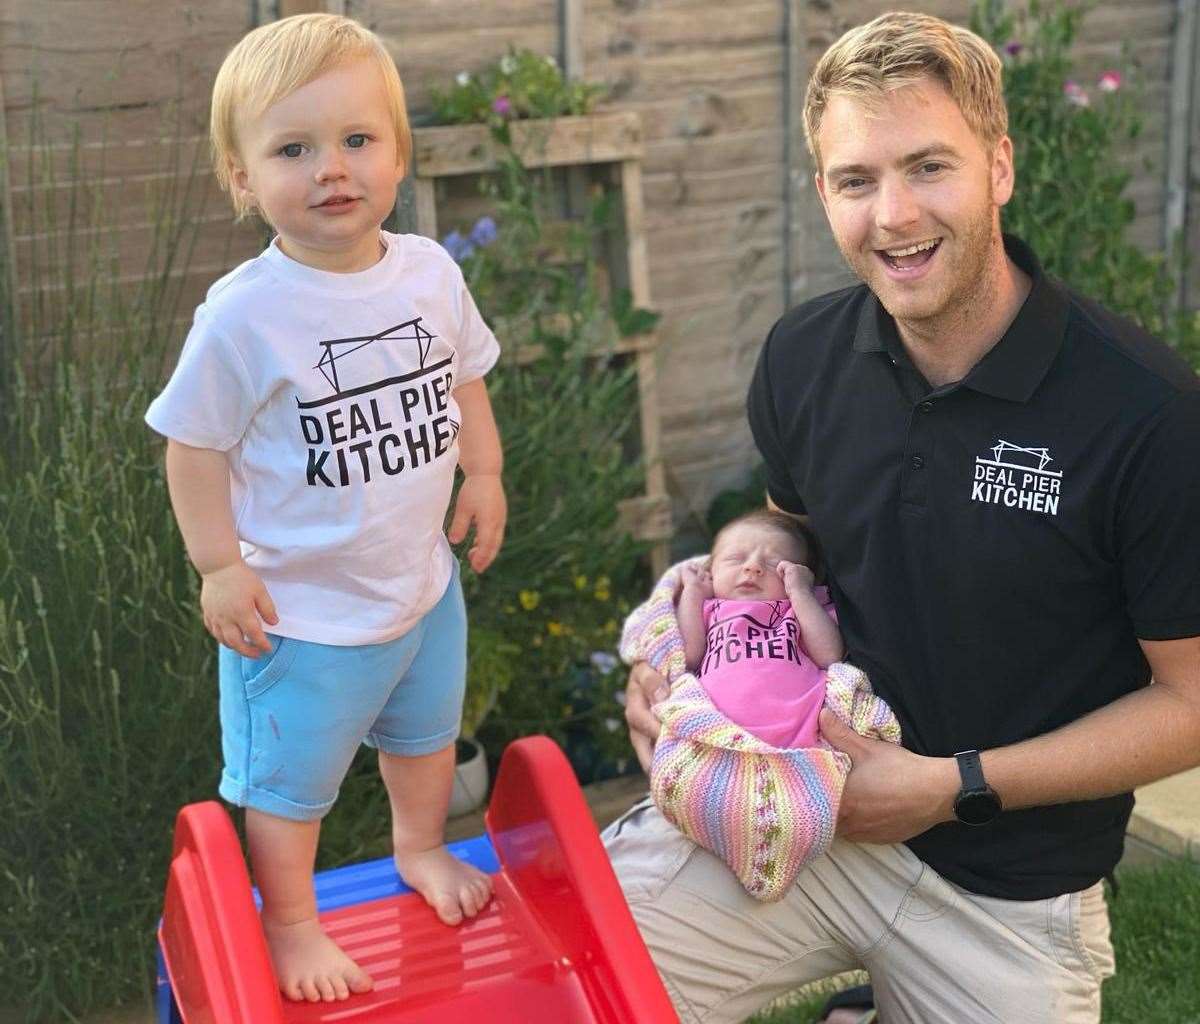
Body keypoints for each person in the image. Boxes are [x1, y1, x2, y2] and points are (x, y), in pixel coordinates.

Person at [608, 11, 1200, 1024]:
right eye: (855, 180)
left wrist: (948, 786)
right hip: (797, 819)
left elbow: (1189, 699)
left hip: (1010, 890)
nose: (892, 215)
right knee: (576, 977)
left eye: (929, 167)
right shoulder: (802, 357)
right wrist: (691, 659)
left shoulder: (1144, 412)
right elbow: (795, 531)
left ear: (1000, 168)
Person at [146, 14, 506, 1004]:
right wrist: (220, 564)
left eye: (357, 140)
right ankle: (293, 923)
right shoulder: (245, 313)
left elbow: (464, 376)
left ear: (397, 153)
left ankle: (422, 849)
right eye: (293, 149)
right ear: (241, 177)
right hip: (299, 618)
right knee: (291, 786)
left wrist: (483, 475)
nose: (332, 168)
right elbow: (193, 445)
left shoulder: (429, 271)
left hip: (418, 588)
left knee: (426, 739)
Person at [677, 510, 844, 748]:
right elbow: (687, 657)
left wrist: (800, 592)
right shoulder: (709, 608)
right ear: (710, 571)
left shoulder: (799, 608)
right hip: (718, 736)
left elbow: (829, 656)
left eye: (776, 564)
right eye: (735, 558)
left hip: (803, 733)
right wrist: (692, 592)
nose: (753, 567)